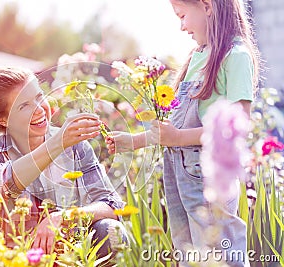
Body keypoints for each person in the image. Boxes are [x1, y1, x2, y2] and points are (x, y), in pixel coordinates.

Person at [106, 0, 260, 266]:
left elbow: (237, 126)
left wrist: (177, 138)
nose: (181, 26)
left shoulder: (235, 56)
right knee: (189, 252)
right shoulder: (198, 56)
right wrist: (133, 141)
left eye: (182, 16)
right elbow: (174, 127)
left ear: (207, 6)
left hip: (209, 174)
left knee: (219, 252)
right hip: (178, 171)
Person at [0, 65, 127, 261]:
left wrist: (65, 217)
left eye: (39, 97)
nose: (40, 109)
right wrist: (56, 144)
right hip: (16, 260)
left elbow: (112, 205)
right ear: (3, 119)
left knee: (111, 231)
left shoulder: (74, 147)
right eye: (24, 106)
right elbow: (5, 187)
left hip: (70, 257)